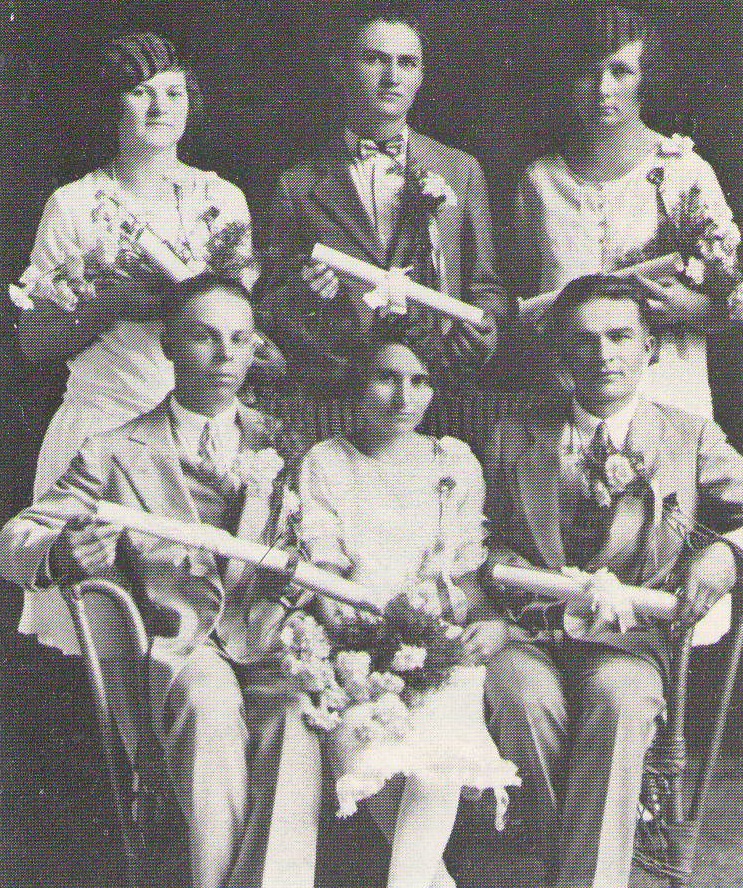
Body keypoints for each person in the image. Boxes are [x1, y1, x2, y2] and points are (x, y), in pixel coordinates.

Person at [0, 274, 321, 888]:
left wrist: (300, 579)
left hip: (267, 642)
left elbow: (317, 545)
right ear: (168, 344)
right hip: (181, 654)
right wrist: (61, 553)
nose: (224, 356)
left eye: (239, 340)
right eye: (204, 338)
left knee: (297, 717)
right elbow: (13, 540)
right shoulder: (114, 450)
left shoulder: (286, 442)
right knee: (208, 704)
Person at [481, 274, 743, 888]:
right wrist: (507, 579)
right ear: (561, 355)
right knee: (520, 698)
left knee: (621, 701)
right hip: (526, 630)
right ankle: (573, 862)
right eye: (584, 340)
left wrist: (728, 554)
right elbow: (481, 535)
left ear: (650, 348)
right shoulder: (514, 432)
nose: (602, 355)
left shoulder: (689, 435)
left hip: (632, 641)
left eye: (620, 337)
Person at [13, 32, 283, 507]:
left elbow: (236, 321)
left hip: (196, 428)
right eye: (141, 92)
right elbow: (34, 342)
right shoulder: (73, 204)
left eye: (173, 93)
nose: (160, 108)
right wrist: (113, 302)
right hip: (102, 421)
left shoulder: (222, 200)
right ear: (112, 104)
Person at [298, 335, 518, 888]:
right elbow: (325, 579)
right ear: (356, 383)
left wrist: (467, 621)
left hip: (436, 642)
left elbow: (464, 575)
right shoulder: (326, 462)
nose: (403, 398)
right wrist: (356, 628)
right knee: (362, 738)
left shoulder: (453, 462)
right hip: (353, 646)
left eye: (419, 381)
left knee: (438, 753)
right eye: (386, 378)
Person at [260, 9, 515, 383]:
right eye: (374, 60)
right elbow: (270, 302)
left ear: (420, 76)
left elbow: (485, 286)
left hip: (434, 380)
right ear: (341, 69)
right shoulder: (296, 186)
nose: (392, 77)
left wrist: (482, 333)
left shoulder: (460, 171)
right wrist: (303, 293)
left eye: (407, 63)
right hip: (340, 385)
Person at [511, 5, 740, 416]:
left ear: (645, 80)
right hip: (565, 404)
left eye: (620, 72)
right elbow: (522, 308)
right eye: (589, 72)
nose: (603, 88)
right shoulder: (539, 182)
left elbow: (734, 298)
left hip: (668, 397)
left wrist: (694, 309)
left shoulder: (683, 171)